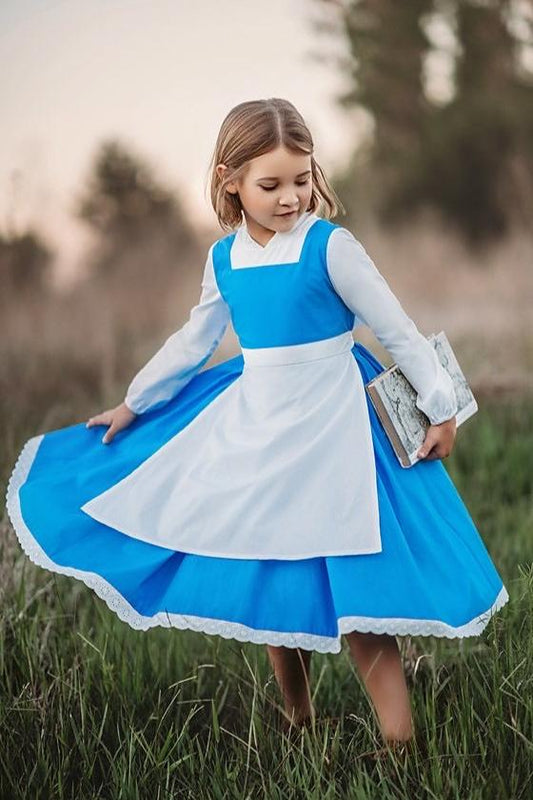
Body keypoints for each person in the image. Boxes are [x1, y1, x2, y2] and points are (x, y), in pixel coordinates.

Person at [6, 98, 508, 759]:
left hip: (336, 429)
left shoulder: (330, 246)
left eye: (301, 179)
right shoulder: (223, 260)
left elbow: (393, 328)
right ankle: (297, 720)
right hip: (259, 426)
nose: (291, 197)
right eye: (271, 184)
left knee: (356, 587)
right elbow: (195, 340)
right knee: (273, 578)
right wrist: (135, 402)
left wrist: (438, 404)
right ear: (229, 180)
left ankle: (398, 742)